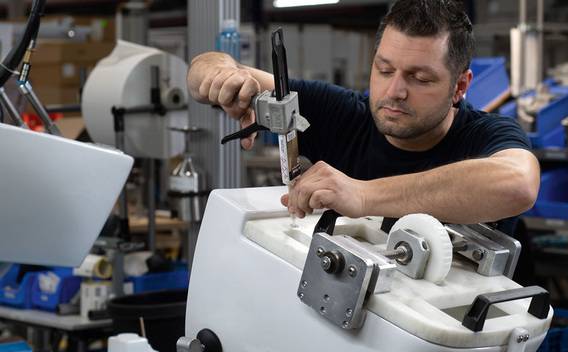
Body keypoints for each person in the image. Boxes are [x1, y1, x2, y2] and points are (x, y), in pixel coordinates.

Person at [187, 0, 539, 233]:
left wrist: (363, 195)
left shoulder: (485, 135)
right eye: (384, 70)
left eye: (419, 78)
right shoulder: (343, 115)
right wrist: (220, 75)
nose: (395, 91)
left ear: (460, 86)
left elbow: (518, 185)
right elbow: (206, 67)